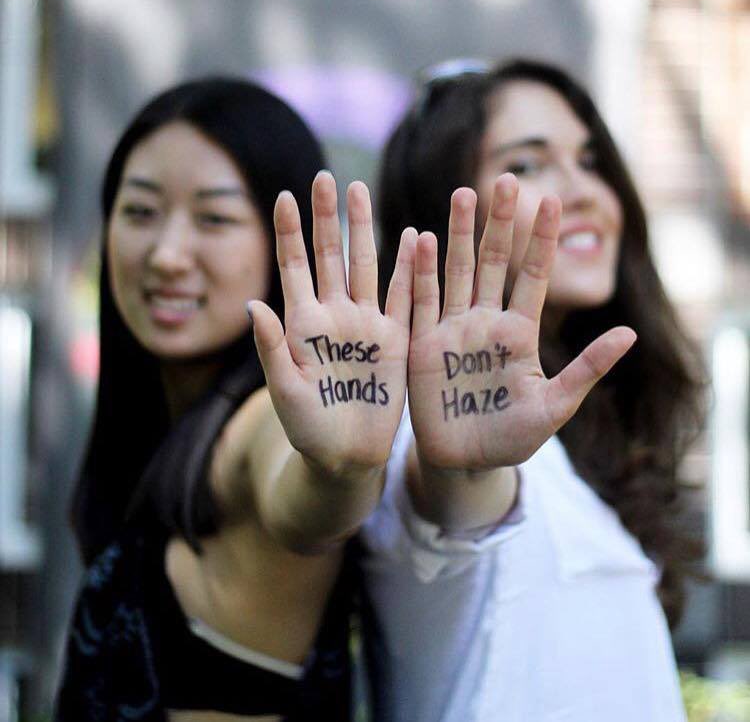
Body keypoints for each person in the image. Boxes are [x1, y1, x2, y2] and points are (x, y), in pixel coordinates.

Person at [54, 77, 419, 721]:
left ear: (287, 249)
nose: (167, 254)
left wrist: (343, 468)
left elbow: (304, 500)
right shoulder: (170, 425)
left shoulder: (260, 427)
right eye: (140, 211)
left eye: (215, 218)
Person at [358, 58, 705, 722]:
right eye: (527, 165)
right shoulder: (421, 422)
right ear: (445, 209)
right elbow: (453, 509)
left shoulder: (582, 438)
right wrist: (461, 464)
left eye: (591, 159)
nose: (583, 192)